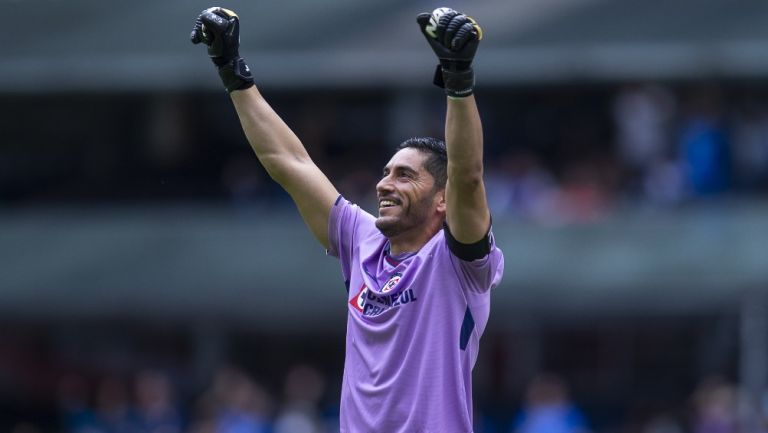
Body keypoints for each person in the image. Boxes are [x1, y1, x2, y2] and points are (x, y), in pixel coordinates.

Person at [190, 6, 504, 432]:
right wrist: (232, 71)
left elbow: (468, 175)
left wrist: (458, 80)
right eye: (386, 172)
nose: (384, 185)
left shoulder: (458, 261)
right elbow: (289, 162)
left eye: (405, 176)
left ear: (442, 201)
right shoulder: (363, 241)